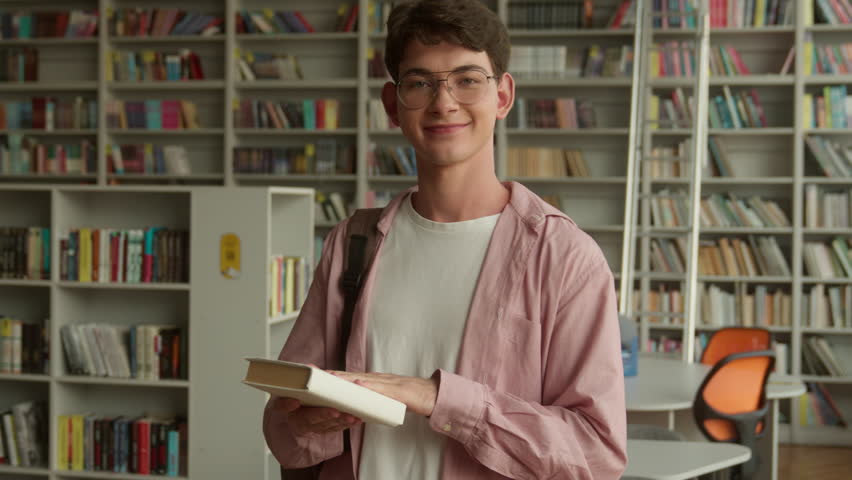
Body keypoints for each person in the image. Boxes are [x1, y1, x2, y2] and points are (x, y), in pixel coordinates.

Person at [263, 0, 627, 478]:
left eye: (467, 79)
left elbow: (597, 454)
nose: (443, 102)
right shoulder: (353, 242)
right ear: (393, 105)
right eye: (420, 83)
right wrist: (311, 422)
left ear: (502, 96)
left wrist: (438, 399)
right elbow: (284, 429)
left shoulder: (563, 257)